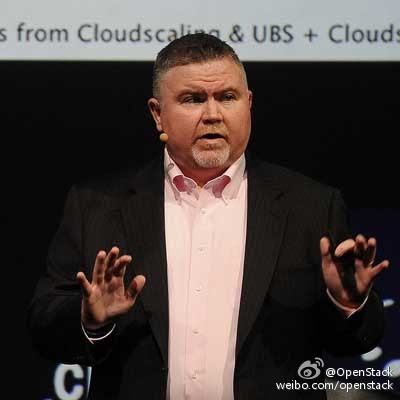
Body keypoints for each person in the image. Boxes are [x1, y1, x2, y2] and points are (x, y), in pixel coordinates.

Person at [27, 33, 390, 400]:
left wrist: (347, 304)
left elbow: (357, 341)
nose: (213, 114)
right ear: (157, 114)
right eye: (193, 99)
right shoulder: (98, 205)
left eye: (227, 97)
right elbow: (43, 325)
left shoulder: (311, 206)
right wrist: (90, 320)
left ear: (249, 104)